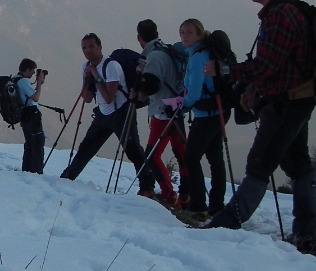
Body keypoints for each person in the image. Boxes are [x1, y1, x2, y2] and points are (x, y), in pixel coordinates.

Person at [203, 0, 316, 255]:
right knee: (298, 164)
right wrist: (255, 87)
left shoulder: (280, 16)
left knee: (259, 163)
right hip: (296, 99)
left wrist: (226, 70)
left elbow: (267, 65)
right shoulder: (290, 12)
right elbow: (279, 65)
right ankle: (306, 233)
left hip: (285, 104)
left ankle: (228, 222)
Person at [59, 33, 152, 195]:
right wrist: (87, 78)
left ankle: (147, 187)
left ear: (100, 47)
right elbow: (87, 99)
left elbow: (109, 97)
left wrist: (96, 76)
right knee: (86, 147)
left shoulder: (111, 66)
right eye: (84, 48)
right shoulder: (85, 66)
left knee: (132, 150)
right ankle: (67, 177)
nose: (87, 51)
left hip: (121, 113)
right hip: (103, 115)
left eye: (91, 47)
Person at [178, 19, 229, 221]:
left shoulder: (198, 57)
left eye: (189, 32)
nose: (184, 36)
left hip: (206, 114)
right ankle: (216, 205)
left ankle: (198, 206)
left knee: (191, 157)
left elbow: (194, 93)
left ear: (199, 35)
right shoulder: (204, 53)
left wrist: (180, 104)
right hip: (219, 111)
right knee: (215, 158)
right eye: (182, 32)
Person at [134, 19, 188, 210]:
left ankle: (169, 195)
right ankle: (186, 195)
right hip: (177, 108)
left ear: (139, 38)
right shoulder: (167, 49)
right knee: (182, 154)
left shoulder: (154, 56)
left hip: (162, 111)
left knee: (152, 155)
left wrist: (140, 76)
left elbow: (151, 86)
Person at [13, 59, 47, 174]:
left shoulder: (15, 79)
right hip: (32, 116)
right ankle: (37, 172)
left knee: (29, 143)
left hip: (24, 116)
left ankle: (27, 170)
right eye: (33, 71)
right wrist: (38, 83)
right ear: (27, 69)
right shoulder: (23, 81)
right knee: (37, 143)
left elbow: (29, 95)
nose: (33, 74)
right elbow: (35, 98)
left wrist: (39, 84)